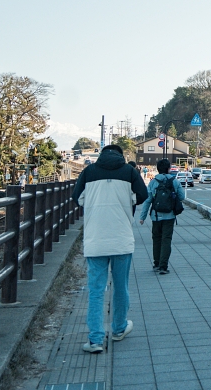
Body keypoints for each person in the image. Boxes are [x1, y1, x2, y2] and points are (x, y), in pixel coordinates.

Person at [72, 144, 148, 353]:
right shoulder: (129, 171)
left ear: (102, 154)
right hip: (121, 239)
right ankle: (119, 329)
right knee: (121, 287)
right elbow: (143, 194)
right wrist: (128, 199)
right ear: (121, 156)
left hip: (95, 240)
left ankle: (96, 339)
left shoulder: (89, 172)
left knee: (96, 290)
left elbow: (77, 198)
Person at [138, 159, 184, 275]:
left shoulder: (153, 182)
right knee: (166, 240)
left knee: (156, 239)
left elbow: (148, 200)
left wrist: (142, 217)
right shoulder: (175, 181)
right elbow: (182, 197)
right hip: (170, 216)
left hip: (156, 216)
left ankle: (156, 263)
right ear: (169, 169)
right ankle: (164, 266)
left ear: (158, 169)